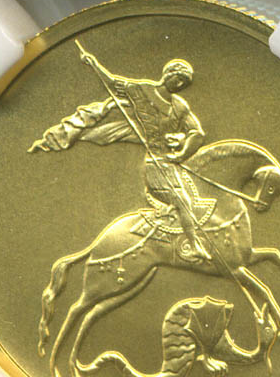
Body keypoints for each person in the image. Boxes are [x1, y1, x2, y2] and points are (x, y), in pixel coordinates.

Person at [29, 49, 212, 261]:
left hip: (172, 164)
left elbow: (197, 133)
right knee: (183, 203)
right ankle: (193, 245)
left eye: (184, 83)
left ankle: (171, 229)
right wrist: (94, 64)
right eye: (178, 78)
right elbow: (113, 83)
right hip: (155, 164)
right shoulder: (142, 90)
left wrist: (182, 150)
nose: (180, 84)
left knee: (190, 201)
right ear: (167, 74)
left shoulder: (180, 105)